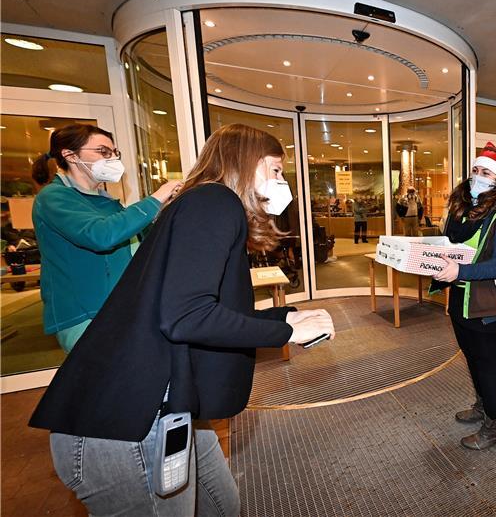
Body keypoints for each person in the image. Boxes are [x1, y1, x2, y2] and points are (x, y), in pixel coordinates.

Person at [29, 124, 336, 516]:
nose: (281, 182)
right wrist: (286, 331)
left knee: (222, 506)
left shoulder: (201, 205)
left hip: (168, 407)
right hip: (127, 421)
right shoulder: (214, 203)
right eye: (275, 170)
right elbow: (187, 317)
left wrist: (285, 315)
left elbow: (203, 311)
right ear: (245, 164)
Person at [30, 124, 181, 352]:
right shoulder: (54, 197)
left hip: (121, 307)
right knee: (106, 382)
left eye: (113, 152)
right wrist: (156, 198)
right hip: (86, 314)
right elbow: (101, 235)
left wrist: (160, 214)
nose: (112, 159)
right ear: (70, 155)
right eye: (103, 152)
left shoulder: (106, 202)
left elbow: (137, 245)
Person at [432, 142, 496, 450]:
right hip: (462, 298)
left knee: (487, 362)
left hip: (491, 303)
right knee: (472, 358)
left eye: (487, 171)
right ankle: (483, 406)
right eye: (475, 170)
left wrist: (459, 272)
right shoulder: (463, 208)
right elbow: (451, 247)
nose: (478, 176)